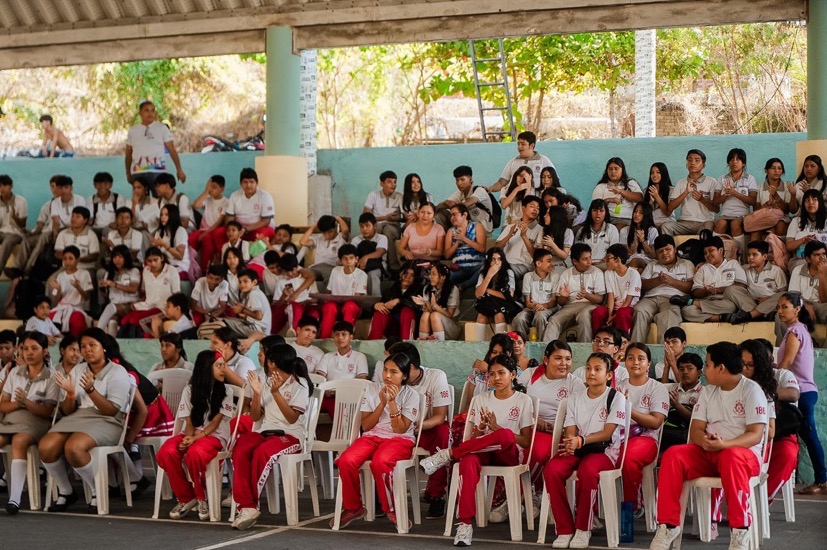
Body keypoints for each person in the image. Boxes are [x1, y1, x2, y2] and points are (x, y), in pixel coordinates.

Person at [648, 342, 768, 550]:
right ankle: (668, 525)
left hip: (743, 456)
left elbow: (755, 435)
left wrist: (725, 444)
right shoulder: (708, 391)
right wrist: (703, 440)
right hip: (710, 452)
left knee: (732, 456)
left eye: (708, 364)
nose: (706, 370)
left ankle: (740, 530)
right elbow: (696, 428)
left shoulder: (751, 390)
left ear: (721, 368)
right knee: (674, 455)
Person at [420, 354, 534, 547]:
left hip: (510, 454)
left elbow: (524, 441)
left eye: (501, 373)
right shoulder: (481, 399)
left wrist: (497, 429)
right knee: (468, 461)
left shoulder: (523, 400)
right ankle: (465, 524)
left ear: (513, 375)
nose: (496, 378)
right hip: (484, 450)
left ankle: (448, 454)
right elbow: (472, 440)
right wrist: (481, 429)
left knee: (505, 434)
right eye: (492, 374)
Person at [38, 327, 133, 513]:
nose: (87, 349)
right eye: (83, 346)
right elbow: (68, 410)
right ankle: (66, 491)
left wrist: (91, 390)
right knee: (45, 446)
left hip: (108, 420)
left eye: (92, 345)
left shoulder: (118, 371)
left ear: (103, 347)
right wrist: (71, 394)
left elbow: (111, 410)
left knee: (74, 447)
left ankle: (98, 489)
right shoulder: (78, 369)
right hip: (78, 416)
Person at [543, 351, 628, 549]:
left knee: (588, 471)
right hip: (579, 447)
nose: (591, 373)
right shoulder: (575, 397)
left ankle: (583, 528)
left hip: (604, 452)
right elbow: (570, 430)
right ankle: (564, 529)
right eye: (588, 368)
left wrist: (581, 440)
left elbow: (607, 434)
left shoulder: (616, 398)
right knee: (552, 470)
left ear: (608, 375)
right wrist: (572, 442)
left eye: (597, 369)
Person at [331, 352, 421, 530]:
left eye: (394, 372)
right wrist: (381, 403)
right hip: (372, 437)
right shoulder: (372, 389)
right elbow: (366, 425)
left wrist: (392, 402)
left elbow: (400, 429)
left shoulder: (412, 395)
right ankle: (354, 507)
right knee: (345, 460)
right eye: (385, 370)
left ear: (404, 375)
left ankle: (391, 509)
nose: (387, 375)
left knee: (381, 462)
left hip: (400, 440)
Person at [231, 344, 313, 530]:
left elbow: (291, 419)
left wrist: (276, 393)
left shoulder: (300, 384)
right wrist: (258, 394)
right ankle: (248, 506)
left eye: (267, 359)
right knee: (241, 447)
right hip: (265, 432)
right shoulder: (264, 381)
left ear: (274, 363)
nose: (265, 363)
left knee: (263, 452)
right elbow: (255, 417)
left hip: (291, 436)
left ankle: (248, 506)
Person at [156, 350, 234, 520]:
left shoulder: (226, 391)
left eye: (224, 365)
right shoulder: (189, 390)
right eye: (219, 365)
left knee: (195, 453)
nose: (224, 369)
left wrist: (195, 439)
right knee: (166, 452)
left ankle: (202, 498)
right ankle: (186, 497)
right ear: (206, 368)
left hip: (214, 436)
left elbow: (215, 422)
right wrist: (187, 438)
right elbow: (189, 420)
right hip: (193, 433)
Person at [389, 342, 452, 520]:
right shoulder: (393, 378)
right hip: (398, 430)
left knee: (443, 432)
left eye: (397, 368)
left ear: (410, 367)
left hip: (425, 428)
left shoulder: (436, 376)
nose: (392, 373)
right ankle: (383, 497)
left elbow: (440, 416)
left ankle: (437, 495)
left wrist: (416, 425)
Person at [0, 331, 59, 514]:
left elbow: (47, 412)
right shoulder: (15, 373)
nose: (29, 353)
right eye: (25, 349)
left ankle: (14, 499)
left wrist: (26, 403)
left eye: (34, 348)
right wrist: (17, 403)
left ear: (45, 351)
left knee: (19, 441)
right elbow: (2, 405)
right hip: (11, 420)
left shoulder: (51, 377)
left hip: (37, 422)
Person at [775, 291, 827, 494]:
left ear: (797, 309)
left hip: (801, 391)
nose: (780, 311)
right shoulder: (798, 329)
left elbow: (786, 364)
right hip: (803, 390)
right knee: (804, 434)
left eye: (784, 307)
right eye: (778, 307)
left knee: (809, 434)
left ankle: (822, 479)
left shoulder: (795, 331)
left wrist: (773, 379)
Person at [518, 341, 584, 497]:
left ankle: (525, 496)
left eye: (568, 359)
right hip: (526, 427)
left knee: (538, 452)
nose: (564, 364)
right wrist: (533, 419)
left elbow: (580, 415)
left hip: (557, 434)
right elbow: (515, 400)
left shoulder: (575, 383)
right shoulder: (530, 375)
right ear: (546, 360)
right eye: (558, 358)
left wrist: (557, 429)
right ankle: (520, 496)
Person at [617, 343, 668, 515]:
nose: (635, 362)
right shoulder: (617, 387)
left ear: (649, 364)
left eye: (641, 358)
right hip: (617, 437)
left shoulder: (657, 388)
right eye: (630, 358)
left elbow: (655, 422)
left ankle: (633, 505)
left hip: (646, 438)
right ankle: (595, 509)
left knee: (629, 458)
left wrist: (628, 409)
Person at [631, 235, 695, 344]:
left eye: (668, 249)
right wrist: (658, 280)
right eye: (660, 251)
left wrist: (672, 281)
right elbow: (642, 284)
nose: (664, 253)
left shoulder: (686, 264)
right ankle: (636, 348)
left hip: (672, 299)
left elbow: (691, 287)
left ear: (675, 249)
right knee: (639, 310)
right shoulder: (652, 265)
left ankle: (665, 354)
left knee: (669, 315)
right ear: (656, 254)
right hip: (650, 299)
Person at [676, 236, 750, 324]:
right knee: (687, 311)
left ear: (721, 250)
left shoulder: (733, 264)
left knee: (730, 307)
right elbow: (696, 292)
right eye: (705, 252)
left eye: (711, 250)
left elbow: (741, 285)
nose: (708, 255)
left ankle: (695, 303)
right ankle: (721, 317)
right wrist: (706, 291)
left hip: (725, 300)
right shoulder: (702, 269)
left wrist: (717, 290)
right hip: (707, 300)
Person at [544, 243, 605, 343]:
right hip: (570, 305)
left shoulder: (597, 272)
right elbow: (561, 302)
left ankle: (585, 354)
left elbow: (600, 299)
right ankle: (548, 352)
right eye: (585, 259)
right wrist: (564, 297)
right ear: (575, 261)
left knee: (584, 316)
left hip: (590, 305)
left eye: (590, 257)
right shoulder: (566, 274)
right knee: (553, 321)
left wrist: (587, 295)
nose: (589, 262)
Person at [119, 247, 180, 337]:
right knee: (125, 320)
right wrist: (139, 301)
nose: (153, 264)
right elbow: (144, 291)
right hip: (148, 305)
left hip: (163, 308)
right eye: (149, 261)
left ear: (162, 258)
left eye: (156, 260)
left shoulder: (171, 271)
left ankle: (135, 342)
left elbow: (177, 295)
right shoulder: (146, 271)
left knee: (135, 321)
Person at [125, 100, 185, 186]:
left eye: (152, 110)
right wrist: (128, 173)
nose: (150, 113)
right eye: (147, 110)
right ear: (140, 113)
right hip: (138, 172)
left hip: (158, 171)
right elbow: (128, 154)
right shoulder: (133, 130)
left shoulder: (162, 128)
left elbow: (172, 150)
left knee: (157, 198)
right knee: (139, 199)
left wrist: (179, 170)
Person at [660, 149, 719, 236]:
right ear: (686, 164)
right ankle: (671, 249)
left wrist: (702, 199)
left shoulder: (711, 182)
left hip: (704, 222)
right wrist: (686, 192)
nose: (693, 163)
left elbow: (716, 209)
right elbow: (670, 208)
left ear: (703, 165)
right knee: (666, 226)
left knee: (708, 228)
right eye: (690, 160)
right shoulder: (681, 182)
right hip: (684, 222)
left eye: (697, 160)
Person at [316, 321, 369, 416]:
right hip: (329, 395)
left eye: (344, 334)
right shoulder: (327, 356)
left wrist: (346, 392)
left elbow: (362, 381)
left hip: (350, 396)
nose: (340, 338)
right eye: (337, 334)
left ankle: (343, 430)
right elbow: (320, 378)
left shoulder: (359, 357)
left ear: (351, 337)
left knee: (339, 406)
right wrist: (325, 390)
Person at [730, 240, 788, 325]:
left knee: (784, 295)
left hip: (770, 304)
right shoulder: (745, 270)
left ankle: (753, 315)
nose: (750, 258)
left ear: (764, 256)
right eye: (749, 255)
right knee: (731, 289)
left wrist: (769, 298)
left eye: (754, 254)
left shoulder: (776, 271)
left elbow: (783, 293)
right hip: (752, 303)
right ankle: (757, 314)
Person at [591, 243, 641, 335]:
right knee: (598, 312)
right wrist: (610, 315)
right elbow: (611, 296)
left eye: (608, 258)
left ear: (617, 259)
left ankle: (622, 341)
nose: (605, 261)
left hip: (627, 308)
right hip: (613, 307)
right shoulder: (608, 273)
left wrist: (615, 316)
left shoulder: (633, 274)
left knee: (622, 313)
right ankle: (598, 339)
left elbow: (628, 301)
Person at [320, 244, 368, 339]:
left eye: (351, 258)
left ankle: (347, 337)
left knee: (349, 305)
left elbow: (357, 297)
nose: (348, 261)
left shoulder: (361, 275)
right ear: (340, 261)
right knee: (329, 306)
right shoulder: (335, 271)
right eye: (345, 258)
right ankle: (324, 338)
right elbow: (329, 291)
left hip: (352, 305)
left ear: (356, 259)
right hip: (336, 304)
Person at [660, 352, 704, 452]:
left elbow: (695, 421)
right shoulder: (668, 388)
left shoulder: (704, 393)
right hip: (665, 432)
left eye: (690, 368)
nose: (685, 372)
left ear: (699, 372)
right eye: (681, 369)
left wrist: (677, 405)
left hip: (687, 437)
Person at [512, 248, 559, 338]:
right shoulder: (528, 276)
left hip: (548, 308)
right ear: (538, 263)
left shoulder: (555, 276)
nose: (552, 264)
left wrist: (543, 306)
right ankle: (522, 345)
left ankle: (542, 347)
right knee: (519, 319)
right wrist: (534, 306)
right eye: (549, 261)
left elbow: (554, 301)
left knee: (540, 317)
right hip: (532, 308)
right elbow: (527, 302)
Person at [487, 131, 554, 193]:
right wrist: (491, 188)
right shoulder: (513, 162)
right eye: (518, 144)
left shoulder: (544, 160)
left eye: (523, 144)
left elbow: (554, 182)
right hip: (516, 201)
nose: (519, 147)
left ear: (532, 146)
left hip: (536, 203)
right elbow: (501, 183)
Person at [474, 247, 521, 334]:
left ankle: (501, 343)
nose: (497, 262)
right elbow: (478, 294)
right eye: (493, 259)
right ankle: (479, 345)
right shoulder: (483, 273)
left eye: (499, 259)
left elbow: (509, 295)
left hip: (505, 303)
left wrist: (487, 290)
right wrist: (489, 275)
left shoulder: (508, 272)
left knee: (499, 315)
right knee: (481, 316)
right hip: (489, 303)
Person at [712, 148, 758, 238]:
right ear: (728, 163)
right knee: (720, 224)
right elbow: (715, 202)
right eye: (732, 159)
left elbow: (753, 201)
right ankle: (716, 248)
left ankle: (739, 251)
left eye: (738, 159)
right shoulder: (722, 178)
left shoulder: (750, 178)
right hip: (725, 214)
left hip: (742, 215)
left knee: (735, 224)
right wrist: (726, 194)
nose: (734, 162)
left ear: (743, 163)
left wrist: (735, 193)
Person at [48, 246, 93, 337]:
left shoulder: (84, 274)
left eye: (70, 258)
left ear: (77, 260)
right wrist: (59, 289)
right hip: (61, 307)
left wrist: (78, 287)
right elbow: (58, 299)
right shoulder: (60, 275)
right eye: (65, 259)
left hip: (77, 308)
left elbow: (86, 297)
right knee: (49, 319)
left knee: (77, 323)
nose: (67, 262)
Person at [369, 262, 421, 340]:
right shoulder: (391, 288)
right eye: (405, 273)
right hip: (393, 327)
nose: (408, 277)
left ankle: (406, 345)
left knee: (407, 311)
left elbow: (417, 306)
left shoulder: (419, 289)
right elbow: (384, 305)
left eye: (412, 275)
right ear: (400, 273)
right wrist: (375, 305)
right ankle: (372, 343)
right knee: (380, 312)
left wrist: (399, 300)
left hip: (411, 326)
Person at [496, 195, 543, 280]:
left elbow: (537, 257)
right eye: (532, 206)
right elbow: (496, 248)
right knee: (484, 267)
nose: (535, 210)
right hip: (505, 262)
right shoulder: (511, 226)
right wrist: (509, 235)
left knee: (506, 271)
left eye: (538, 208)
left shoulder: (540, 230)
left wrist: (524, 236)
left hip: (524, 266)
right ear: (523, 209)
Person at [363, 170, 403, 270]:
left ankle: (393, 267)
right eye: (389, 182)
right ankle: (371, 265)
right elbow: (366, 215)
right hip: (376, 224)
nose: (393, 185)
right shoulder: (373, 195)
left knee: (388, 232)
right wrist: (385, 218)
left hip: (393, 225)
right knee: (371, 232)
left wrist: (396, 218)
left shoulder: (399, 196)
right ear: (382, 183)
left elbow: (405, 217)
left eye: (395, 182)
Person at [98, 245, 141, 336]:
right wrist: (102, 288)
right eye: (114, 257)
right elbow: (106, 296)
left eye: (120, 257)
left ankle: (97, 332)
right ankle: (112, 343)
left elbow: (133, 289)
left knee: (111, 307)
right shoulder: (109, 273)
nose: (117, 260)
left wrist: (115, 284)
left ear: (126, 257)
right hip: (115, 305)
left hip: (130, 305)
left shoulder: (133, 271)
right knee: (112, 321)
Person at [436, 165, 494, 233]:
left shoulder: (480, 190)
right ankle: (447, 237)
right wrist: (447, 203)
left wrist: (453, 206)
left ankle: (456, 236)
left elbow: (467, 203)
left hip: (482, 228)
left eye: (462, 179)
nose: (459, 183)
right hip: (467, 225)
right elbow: (438, 206)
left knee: (459, 212)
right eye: (457, 180)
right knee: (440, 214)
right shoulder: (460, 193)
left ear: (470, 179)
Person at [189, 175, 229, 272]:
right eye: (210, 187)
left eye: (214, 187)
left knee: (207, 241)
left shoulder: (226, 202)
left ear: (222, 189)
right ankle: (191, 267)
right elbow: (195, 205)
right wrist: (206, 191)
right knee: (190, 238)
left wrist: (205, 234)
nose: (211, 190)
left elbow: (218, 223)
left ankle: (204, 270)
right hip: (203, 230)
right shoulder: (207, 198)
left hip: (213, 231)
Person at [225, 167, 276, 242]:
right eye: (245, 182)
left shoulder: (265, 196)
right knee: (218, 233)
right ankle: (229, 253)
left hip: (259, 228)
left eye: (251, 182)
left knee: (260, 236)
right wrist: (234, 230)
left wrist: (246, 229)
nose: (248, 185)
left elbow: (265, 221)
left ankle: (253, 254)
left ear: (257, 183)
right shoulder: (234, 196)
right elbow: (229, 218)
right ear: (240, 183)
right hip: (239, 229)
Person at [748, 158, 792, 243]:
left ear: (782, 171)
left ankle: (778, 253)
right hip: (763, 218)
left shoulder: (787, 187)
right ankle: (755, 254)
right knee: (755, 231)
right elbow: (755, 210)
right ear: (766, 170)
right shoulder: (759, 187)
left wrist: (776, 196)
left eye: (779, 168)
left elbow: (787, 210)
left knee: (780, 225)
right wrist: (767, 205)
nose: (776, 171)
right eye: (773, 168)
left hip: (781, 218)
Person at [443, 203, 487, 289]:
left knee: (485, 269)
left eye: (454, 214)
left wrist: (464, 239)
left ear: (464, 215)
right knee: (446, 275)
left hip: (476, 266)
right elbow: (446, 254)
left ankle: (463, 286)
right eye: (451, 215)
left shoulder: (477, 226)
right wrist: (457, 242)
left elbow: (482, 249)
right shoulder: (451, 231)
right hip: (459, 268)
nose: (452, 218)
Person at [591, 157, 643, 228]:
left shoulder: (630, 183)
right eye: (610, 169)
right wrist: (609, 200)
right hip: (607, 219)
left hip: (626, 219)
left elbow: (640, 198)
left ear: (622, 170)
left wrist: (620, 191)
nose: (613, 172)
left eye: (616, 168)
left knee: (618, 229)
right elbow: (595, 207)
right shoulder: (601, 186)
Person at [300, 214, 350, 287]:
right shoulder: (318, 239)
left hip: (331, 267)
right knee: (302, 276)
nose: (327, 235)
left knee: (331, 280)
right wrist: (314, 226)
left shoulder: (341, 238)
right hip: (316, 267)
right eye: (324, 232)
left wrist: (337, 218)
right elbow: (302, 242)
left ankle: (328, 298)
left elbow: (345, 230)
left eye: (330, 231)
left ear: (336, 227)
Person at [785, 240, 827, 326]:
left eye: (824, 254)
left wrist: (822, 275)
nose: (822, 258)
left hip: (821, 306)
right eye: (817, 255)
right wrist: (805, 305)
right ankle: (788, 339)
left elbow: (824, 300)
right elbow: (793, 295)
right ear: (808, 259)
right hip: (801, 304)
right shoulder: (798, 270)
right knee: (782, 316)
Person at [785, 189, 827, 273]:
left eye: (814, 199)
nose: (810, 203)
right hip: (801, 259)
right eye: (807, 200)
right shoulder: (796, 221)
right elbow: (789, 246)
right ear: (803, 204)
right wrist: (803, 240)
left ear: (820, 202)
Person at [415, 263, 460, 341]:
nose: (430, 277)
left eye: (434, 274)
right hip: (434, 326)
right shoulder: (427, 288)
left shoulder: (453, 289)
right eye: (430, 274)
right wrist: (425, 304)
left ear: (443, 277)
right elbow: (430, 311)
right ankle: (423, 343)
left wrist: (436, 306)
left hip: (451, 327)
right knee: (425, 314)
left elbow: (450, 315)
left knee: (435, 315)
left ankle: (439, 345)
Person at [222, 269, 271, 340]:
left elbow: (258, 316)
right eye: (240, 282)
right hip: (256, 327)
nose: (242, 284)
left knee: (223, 323)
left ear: (254, 282)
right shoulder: (253, 292)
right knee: (227, 320)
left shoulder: (254, 294)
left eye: (245, 281)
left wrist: (242, 310)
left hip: (259, 330)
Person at [351, 213, 388, 297]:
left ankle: (375, 301)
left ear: (375, 226)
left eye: (367, 226)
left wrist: (365, 257)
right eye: (362, 226)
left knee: (372, 275)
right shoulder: (356, 239)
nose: (364, 229)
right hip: (360, 266)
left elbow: (380, 252)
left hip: (377, 266)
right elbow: (352, 254)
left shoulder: (382, 238)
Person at [575, 199, 619, 266]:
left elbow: (614, 251)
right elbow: (578, 252)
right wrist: (588, 262)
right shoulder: (582, 230)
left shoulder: (612, 229)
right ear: (590, 212)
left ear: (606, 213)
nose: (598, 213)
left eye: (601, 211)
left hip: (604, 264)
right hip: (586, 265)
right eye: (595, 210)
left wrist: (601, 262)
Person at [151, 204, 190, 279]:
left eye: (166, 215)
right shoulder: (159, 232)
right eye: (161, 214)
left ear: (173, 216)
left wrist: (164, 245)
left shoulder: (180, 231)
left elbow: (180, 256)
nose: (163, 217)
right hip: (164, 264)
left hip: (179, 266)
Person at [0, 175, 28, 275]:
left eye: (4, 186)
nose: (2, 188)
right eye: (0, 186)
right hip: (2, 232)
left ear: (11, 186)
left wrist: (15, 218)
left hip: (16, 233)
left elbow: (23, 225)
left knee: (8, 241)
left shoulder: (21, 201)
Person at [619, 202, 659, 270]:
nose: (637, 214)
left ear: (646, 215)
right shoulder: (624, 231)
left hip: (647, 261)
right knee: (639, 268)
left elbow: (653, 255)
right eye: (635, 211)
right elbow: (624, 256)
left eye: (641, 213)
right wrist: (634, 243)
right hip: (630, 261)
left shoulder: (652, 231)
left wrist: (642, 240)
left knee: (637, 261)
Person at [89, 172, 127, 237]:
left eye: (106, 183)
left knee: (108, 232)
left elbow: (122, 216)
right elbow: (90, 219)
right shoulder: (90, 199)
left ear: (111, 185)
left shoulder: (118, 198)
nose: (102, 186)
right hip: (95, 228)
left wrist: (116, 224)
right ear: (94, 185)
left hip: (111, 227)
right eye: (99, 183)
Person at [541, 205, 574, 272]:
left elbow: (564, 256)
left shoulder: (567, 232)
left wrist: (552, 244)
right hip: (547, 264)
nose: (544, 216)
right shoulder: (545, 231)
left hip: (562, 265)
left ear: (555, 217)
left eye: (548, 214)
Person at [643, 162, 675, 228]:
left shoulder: (671, 190)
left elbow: (667, 212)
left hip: (666, 222)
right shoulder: (646, 191)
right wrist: (651, 202)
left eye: (658, 172)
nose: (654, 175)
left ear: (664, 173)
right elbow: (644, 214)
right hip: (652, 222)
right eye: (652, 173)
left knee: (664, 227)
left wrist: (657, 196)